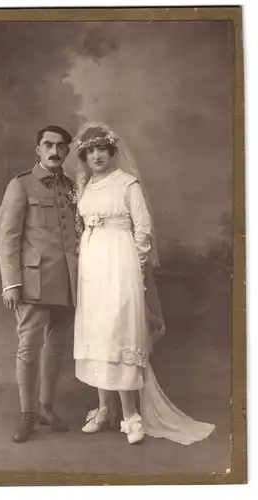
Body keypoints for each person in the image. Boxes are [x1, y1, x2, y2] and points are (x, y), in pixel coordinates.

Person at [73, 122, 215, 445]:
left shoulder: (127, 183)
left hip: (120, 262)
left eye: (101, 149)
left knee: (118, 331)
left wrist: (132, 268)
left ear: (112, 152)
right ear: (85, 155)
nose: (96, 156)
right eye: (90, 151)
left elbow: (143, 229)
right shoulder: (84, 186)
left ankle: (130, 415)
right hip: (92, 265)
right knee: (97, 332)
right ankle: (103, 408)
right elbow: (82, 227)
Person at [0, 125, 78, 443]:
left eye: (61, 146)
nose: (54, 150)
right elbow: (7, 237)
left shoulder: (70, 187)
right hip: (33, 283)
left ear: (68, 151)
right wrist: (10, 283)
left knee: (56, 349)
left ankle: (46, 407)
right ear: (38, 149)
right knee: (29, 348)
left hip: (68, 284)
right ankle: (27, 413)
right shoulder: (21, 185)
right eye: (48, 144)